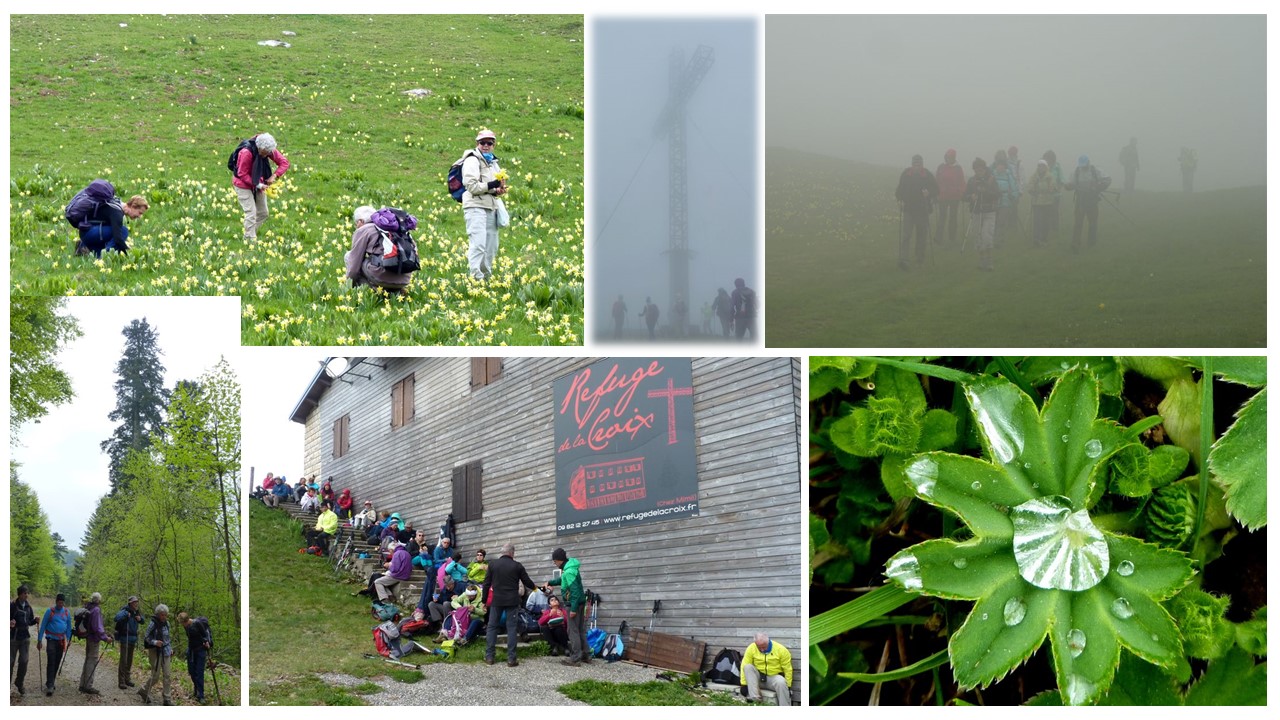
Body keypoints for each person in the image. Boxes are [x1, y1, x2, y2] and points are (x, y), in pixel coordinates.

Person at [460, 128, 507, 281]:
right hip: (475, 207)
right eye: (482, 143)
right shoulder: (472, 160)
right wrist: (491, 184)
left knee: (491, 247)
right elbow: (471, 186)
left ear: (494, 145)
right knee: (478, 244)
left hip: (491, 207)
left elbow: (492, 187)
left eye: (489, 143)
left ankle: (486, 279)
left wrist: (498, 189)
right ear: (477, 143)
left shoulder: (493, 162)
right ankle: (475, 280)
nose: (486, 145)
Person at [481, 543, 536, 667]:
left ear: (502, 552)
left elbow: (486, 584)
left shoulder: (493, 564)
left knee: (492, 627)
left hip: (497, 601)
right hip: (512, 601)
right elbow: (527, 581)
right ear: (512, 553)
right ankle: (511, 659)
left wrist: (484, 601)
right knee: (511, 628)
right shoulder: (517, 566)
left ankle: (489, 656)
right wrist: (537, 589)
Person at [231, 132, 289, 243]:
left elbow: (284, 163)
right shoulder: (246, 153)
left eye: (268, 153)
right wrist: (258, 184)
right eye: (264, 153)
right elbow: (242, 174)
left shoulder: (268, 149)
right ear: (259, 148)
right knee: (251, 212)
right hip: (242, 184)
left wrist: (274, 176)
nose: (266, 156)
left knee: (263, 213)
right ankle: (250, 240)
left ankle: (249, 233)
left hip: (259, 182)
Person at [345, 205, 413, 292]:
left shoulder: (364, 229)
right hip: (405, 279)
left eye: (356, 223)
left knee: (348, 256)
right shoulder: (395, 227)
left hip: (382, 277)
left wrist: (348, 286)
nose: (356, 226)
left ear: (361, 221)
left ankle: (371, 291)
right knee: (376, 260)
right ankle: (396, 291)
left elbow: (354, 265)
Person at [71, 188, 149, 259]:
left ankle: (84, 247)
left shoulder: (116, 203)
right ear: (133, 206)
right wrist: (130, 253)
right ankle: (105, 257)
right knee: (123, 231)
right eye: (140, 213)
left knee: (96, 256)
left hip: (88, 231)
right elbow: (118, 239)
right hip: (89, 232)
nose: (139, 216)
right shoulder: (116, 212)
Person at [545, 547, 589, 667]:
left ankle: (575, 658)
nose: (554, 563)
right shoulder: (570, 568)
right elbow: (563, 580)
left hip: (573, 604)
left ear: (559, 560)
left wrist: (573, 609)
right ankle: (586, 654)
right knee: (579, 630)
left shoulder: (568, 571)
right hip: (580, 602)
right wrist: (550, 582)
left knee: (572, 630)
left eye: (554, 561)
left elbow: (574, 591)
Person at [894, 154, 938, 269]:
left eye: (918, 164)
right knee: (906, 235)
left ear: (922, 165)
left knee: (921, 235)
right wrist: (899, 200)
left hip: (923, 210)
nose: (916, 167)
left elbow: (936, 189)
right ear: (912, 164)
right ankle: (904, 259)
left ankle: (920, 258)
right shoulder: (906, 174)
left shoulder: (927, 175)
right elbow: (899, 191)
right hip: (908, 209)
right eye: (914, 164)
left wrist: (929, 193)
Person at [1064, 154, 1111, 253]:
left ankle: (1092, 242)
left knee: (1093, 222)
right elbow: (1070, 184)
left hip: (1092, 200)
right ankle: (1075, 244)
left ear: (1088, 162)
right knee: (1078, 222)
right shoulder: (1076, 172)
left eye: (1085, 165)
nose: (1083, 167)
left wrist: (1098, 187)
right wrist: (1068, 187)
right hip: (1080, 200)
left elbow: (1107, 179)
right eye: (1082, 165)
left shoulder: (1096, 170)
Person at [963, 158, 1001, 272]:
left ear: (984, 169)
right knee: (978, 237)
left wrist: (986, 191)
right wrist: (971, 197)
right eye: (976, 169)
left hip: (989, 212)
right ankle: (981, 260)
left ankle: (989, 261)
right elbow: (964, 196)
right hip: (976, 212)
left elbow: (998, 194)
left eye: (981, 169)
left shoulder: (991, 179)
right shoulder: (971, 181)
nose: (978, 171)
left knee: (987, 236)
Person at [740, 632, 792, 706]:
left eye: (764, 647)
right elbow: (744, 665)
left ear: (768, 642)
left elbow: (788, 669)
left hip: (773, 679)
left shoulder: (781, 650)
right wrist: (744, 684)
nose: (762, 649)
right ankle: (755, 700)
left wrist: (788, 686)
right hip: (758, 679)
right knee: (748, 667)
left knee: (781, 681)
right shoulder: (751, 648)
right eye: (759, 647)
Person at [37, 593, 71, 697]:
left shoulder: (66, 612)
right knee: (51, 661)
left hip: (61, 641)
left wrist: (69, 639)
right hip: (51, 639)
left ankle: (50, 681)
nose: (61, 604)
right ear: (56, 601)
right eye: (59, 602)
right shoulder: (50, 611)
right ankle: (50, 685)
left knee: (57, 662)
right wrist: (39, 640)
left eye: (62, 602)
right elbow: (43, 626)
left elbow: (69, 627)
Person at [78, 592, 113, 695]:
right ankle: (88, 686)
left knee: (88, 659)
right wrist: (105, 638)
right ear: (99, 600)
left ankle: (82, 684)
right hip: (94, 639)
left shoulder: (89, 607)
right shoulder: (96, 610)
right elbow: (97, 627)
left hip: (89, 637)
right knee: (92, 661)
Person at [138, 604, 172, 706]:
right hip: (154, 651)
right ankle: (144, 690)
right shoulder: (153, 624)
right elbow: (146, 637)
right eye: (162, 615)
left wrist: (170, 649)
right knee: (156, 676)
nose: (164, 617)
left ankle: (167, 699)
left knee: (167, 675)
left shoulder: (167, 624)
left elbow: (167, 638)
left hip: (165, 651)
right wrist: (155, 642)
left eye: (165, 615)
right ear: (158, 614)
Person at [10, 585, 37, 696]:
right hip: (13, 638)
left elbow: (29, 621)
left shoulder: (28, 607)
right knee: (9, 663)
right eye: (25, 593)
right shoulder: (12, 606)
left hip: (25, 638)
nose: (27, 595)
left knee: (24, 661)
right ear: (20, 594)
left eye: (27, 593)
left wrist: (35, 620)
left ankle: (19, 683)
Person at [178, 613, 212, 704]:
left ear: (186, 621)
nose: (182, 625)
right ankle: (196, 689)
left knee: (199, 673)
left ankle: (201, 695)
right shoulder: (186, 626)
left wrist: (206, 642)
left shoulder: (197, 624)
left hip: (200, 651)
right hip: (191, 650)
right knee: (192, 671)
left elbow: (205, 635)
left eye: (182, 623)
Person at [1026, 160, 1060, 248]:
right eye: (1039, 166)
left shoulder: (1050, 176)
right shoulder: (1034, 176)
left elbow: (1054, 186)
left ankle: (1044, 239)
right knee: (1037, 221)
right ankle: (1036, 239)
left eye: (1043, 166)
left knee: (1045, 222)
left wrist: (1051, 189)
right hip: (1037, 202)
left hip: (1047, 202)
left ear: (1046, 167)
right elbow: (1029, 186)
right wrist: (1031, 190)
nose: (1041, 168)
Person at [934, 149, 965, 245]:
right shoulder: (941, 167)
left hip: (954, 197)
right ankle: (938, 238)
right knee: (942, 217)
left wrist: (961, 192)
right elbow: (937, 180)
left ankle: (952, 238)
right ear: (945, 156)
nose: (949, 159)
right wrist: (936, 193)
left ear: (954, 157)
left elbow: (962, 182)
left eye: (951, 157)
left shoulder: (958, 168)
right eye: (947, 157)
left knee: (953, 218)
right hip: (942, 196)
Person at [113, 595, 144, 689]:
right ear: (130, 603)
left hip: (133, 639)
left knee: (129, 660)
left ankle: (127, 679)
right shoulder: (125, 611)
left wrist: (140, 619)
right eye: (134, 602)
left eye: (136, 602)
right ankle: (121, 681)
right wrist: (126, 615)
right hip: (124, 638)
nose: (136, 604)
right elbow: (116, 618)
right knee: (123, 660)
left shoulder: (136, 612)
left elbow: (143, 621)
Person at [992, 155, 1020, 245]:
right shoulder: (992, 175)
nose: (1000, 167)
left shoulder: (1009, 176)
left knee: (1001, 221)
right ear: (996, 166)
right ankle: (992, 239)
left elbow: (1014, 188)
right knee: (994, 221)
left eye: (1002, 165)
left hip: (1005, 202)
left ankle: (999, 241)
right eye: (998, 165)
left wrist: (1014, 197)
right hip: (994, 201)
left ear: (1005, 166)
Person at [1042, 150, 1066, 240]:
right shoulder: (1042, 166)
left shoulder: (1057, 167)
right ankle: (1045, 227)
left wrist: (1057, 188)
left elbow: (1062, 180)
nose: (1047, 160)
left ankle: (1055, 228)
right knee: (1045, 211)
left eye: (1049, 158)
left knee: (1054, 211)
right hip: (1044, 194)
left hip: (1055, 195)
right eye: (1046, 158)